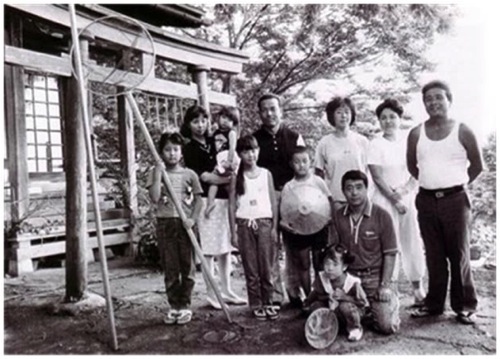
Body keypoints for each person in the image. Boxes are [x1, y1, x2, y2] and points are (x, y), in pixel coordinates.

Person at [406, 80, 483, 325]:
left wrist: (454, 186)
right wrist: (433, 185)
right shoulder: (416, 133)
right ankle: (434, 304)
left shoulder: (463, 129)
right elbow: (412, 166)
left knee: (459, 254)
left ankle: (465, 306)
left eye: (439, 97)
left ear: (449, 100)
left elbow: (478, 165)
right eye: (428, 99)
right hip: (427, 200)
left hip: (456, 201)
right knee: (434, 255)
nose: (434, 102)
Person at [181, 105, 246, 310]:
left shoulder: (214, 140)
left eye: (203, 120)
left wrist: (229, 178)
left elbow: (231, 158)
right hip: (207, 200)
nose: (201, 125)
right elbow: (203, 176)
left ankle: (226, 290)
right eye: (195, 121)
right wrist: (228, 179)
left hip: (225, 199)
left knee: (225, 248)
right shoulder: (189, 147)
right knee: (209, 250)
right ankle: (211, 293)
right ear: (188, 124)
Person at [368, 99, 426, 306]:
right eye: (383, 117)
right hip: (383, 200)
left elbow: (415, 172)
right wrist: (394, 199)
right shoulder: (375, 144)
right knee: (386, 244)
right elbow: (377, 176)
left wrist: (403, 193)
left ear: (399, 118)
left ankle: (418, 289)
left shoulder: (409, 142)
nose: (388, 121)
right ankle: (388, 289)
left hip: (407, 198)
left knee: (412, 241)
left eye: (392, 116)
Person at [330, 170, 400, 335]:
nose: (354, 192)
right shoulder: (338, 216)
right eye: (349, 188)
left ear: (367, 189)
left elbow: (390, 253)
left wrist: (385, 286)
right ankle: (362, 311)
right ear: (343, 191)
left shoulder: (382, 215)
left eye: (359, 187)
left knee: (386, 327)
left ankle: (390, 302)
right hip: (349, 279)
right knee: (335, 317)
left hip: (374, 278)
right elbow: (333, 252)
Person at [253, 93, 305, 308]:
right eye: (264, 109)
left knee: (294, 245)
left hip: (292, 195)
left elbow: (303, 166)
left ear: (281, 110)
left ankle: (297, 293)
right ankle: (274, 295)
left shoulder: (294, 136)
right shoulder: (254, 140)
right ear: (260, 113)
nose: (269, 113)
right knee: (270, 246)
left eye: (273, 108)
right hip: (266, 196)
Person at [147, 132, 203, 325]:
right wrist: (157, 175)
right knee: (170, 267)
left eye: (176, 149)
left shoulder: (190, 174)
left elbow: (198, 200)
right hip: (165, 223)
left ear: (181, 152)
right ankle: (174, 306)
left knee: (187, 267)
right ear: (161, 152)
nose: (172, 153)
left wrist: (193, 220)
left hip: (185, 224)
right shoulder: (158, 173)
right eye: (167, 150)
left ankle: (185, 305)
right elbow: (154, 198)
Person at [228, 135, 279, 320]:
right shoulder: (237, 177)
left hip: (264, 223)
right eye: (246, 151)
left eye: (253, 150)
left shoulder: (266, 174)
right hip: (244, 225)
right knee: (251, 268)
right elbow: (232, 205)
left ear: (258, 150)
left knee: (266, 267)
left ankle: (269, 302)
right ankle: (256, 304)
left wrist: (274, 227)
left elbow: (273, 202)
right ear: (240, 154)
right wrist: (232, 231)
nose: (251, 155)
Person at [280, 146, 334, 307]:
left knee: (319, 263)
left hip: (319, 227)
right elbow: (284, 208)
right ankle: (308, 297)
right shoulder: (289, 186)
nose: (301, 165)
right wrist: (284, 223)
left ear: (310, 162)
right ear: (291, 164)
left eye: (304, 161)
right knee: (303, 264)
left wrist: (329, 218)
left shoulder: (318, 181)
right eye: (297, 162)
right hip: (298, 230)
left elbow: (328, 200)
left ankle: (322, 296)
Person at [303, 244, 369, 342]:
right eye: (326, 264)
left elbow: (364, 303)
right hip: (333, 311)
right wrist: (308, 303)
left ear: (344, 266)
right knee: (316, 305)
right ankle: (326, 326)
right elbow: (316, 293)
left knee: (344, 306)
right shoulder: (322, 278)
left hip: (352, 313)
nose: (330, 268)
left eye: (335, 264)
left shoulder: (352, 282)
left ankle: (355, 328)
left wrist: (345, 297)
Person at [314, 97, 369, 210]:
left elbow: (370, 172)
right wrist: (328, 199)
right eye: (339, 112)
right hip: (336, 201)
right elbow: (318, 174)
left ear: (352, 115)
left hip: (361, 200)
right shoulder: (324, 143)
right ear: (332, 116)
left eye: (346, 112)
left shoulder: (362, 141)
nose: (343, 116)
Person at [205, 106, 240, 218]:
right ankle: (210, 203)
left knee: (232, 181)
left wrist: (229, 162)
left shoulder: (231, 133)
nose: (225, 121)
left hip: (228, 157)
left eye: (230, 120)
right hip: (219, 158)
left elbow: (232, 147)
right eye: (224, 117)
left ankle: (236, 202)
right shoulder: (215, 133)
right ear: (219, 117)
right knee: (214, 180)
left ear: (233, 123)